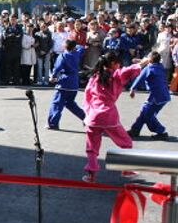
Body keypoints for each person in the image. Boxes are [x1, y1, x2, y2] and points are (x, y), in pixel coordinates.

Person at [82, 52, 150, 182]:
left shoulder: (95, 77)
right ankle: (126, 169)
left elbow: (87, 97)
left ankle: (91, 176)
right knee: (126, 143)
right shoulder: (116, 75)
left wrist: (87, 114)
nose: (119, 65)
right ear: (113, 64)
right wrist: (146, 60)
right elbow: (132, 69)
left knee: (92, 147)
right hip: (108, 115)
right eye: (118, 63)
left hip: (93, 116)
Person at [127, 51, 171, 140]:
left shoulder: (149, 68)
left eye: (148, 56)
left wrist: (132, 89)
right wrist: (140, 60)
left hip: (156, 96)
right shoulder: (160, 66)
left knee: (147, 114)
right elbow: (151, 61)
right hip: (164, 95)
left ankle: (161, 131)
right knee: (145, 111)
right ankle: (135, 130)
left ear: (150, 60)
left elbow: (140, 78)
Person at [47, 40, 86, 130]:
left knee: (57, 103)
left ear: (65, 46)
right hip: (74, 82)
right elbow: (81, 47)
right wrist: (74, 45)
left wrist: (52, 76)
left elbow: (57, 67)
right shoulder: (76, 53)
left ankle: (53, 123)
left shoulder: (63, 55)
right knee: (70, 103)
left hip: (64, 82)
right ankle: (86, 118)